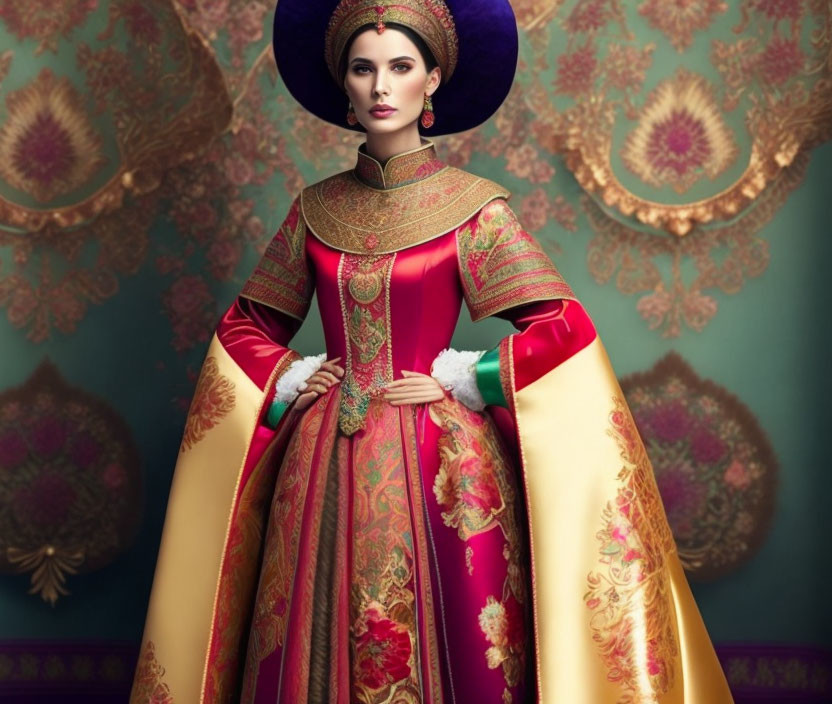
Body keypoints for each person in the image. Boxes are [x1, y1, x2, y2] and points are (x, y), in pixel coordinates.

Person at [130, 1, 735, 702]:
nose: (381, 87)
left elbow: (563, 328)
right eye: (363, 69)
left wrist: (467, 377)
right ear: (345, 88)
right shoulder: (314, 210)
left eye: (400, 67)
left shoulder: (474, 210)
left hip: (435, 460)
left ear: (433, 80)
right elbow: (245, 328)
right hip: (319, 459)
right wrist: (291, 377)